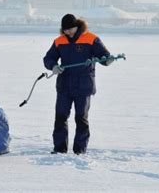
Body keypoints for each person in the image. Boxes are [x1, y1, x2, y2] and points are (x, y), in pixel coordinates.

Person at [43, 14, 113, 155]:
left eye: (71, 28)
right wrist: (54, 66)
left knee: (81, 118)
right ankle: (59, 149)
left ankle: (80, 150)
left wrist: (107, 60)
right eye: (65, 29)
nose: (68, 32)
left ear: (77, 26)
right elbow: (48, 58)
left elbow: (104, 56)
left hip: (84, 86)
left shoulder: (91, 38)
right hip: (64, 86)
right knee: (61, 117)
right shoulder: (59, 41)